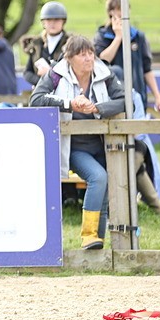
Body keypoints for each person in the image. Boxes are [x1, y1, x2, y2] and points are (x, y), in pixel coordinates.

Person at [29, 35, 126, 250]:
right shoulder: (56, 73)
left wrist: (99, 108)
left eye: (91, 53)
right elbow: (35, 99)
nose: (89, 58)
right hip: (72, 146)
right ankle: (88, 235)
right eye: (83, 54)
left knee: (105, 185)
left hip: (101, 143)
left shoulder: (104, 72)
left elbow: (124, 100)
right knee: (98, 177)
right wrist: (69, 104)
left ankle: (96, 244)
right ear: (69, 58)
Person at [94, 0, 160, 113]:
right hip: (110, 100)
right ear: (111, 12)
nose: (122, 13)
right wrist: (118, 37)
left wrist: (158, 97)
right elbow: (102, 60)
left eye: (125, 9)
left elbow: (147, 69)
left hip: (137, 95)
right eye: (118, 10)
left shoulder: (138, 36)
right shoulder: (102, 35)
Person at [23, 1, 69, 87]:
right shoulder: (36, 43)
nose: (52, 23)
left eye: (57, 20)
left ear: (63, 22)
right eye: (48, 20)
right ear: (43, 22)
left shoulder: (70, 43)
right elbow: (27, 72)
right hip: (40, 91)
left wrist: (50, 74)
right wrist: (41, 82)